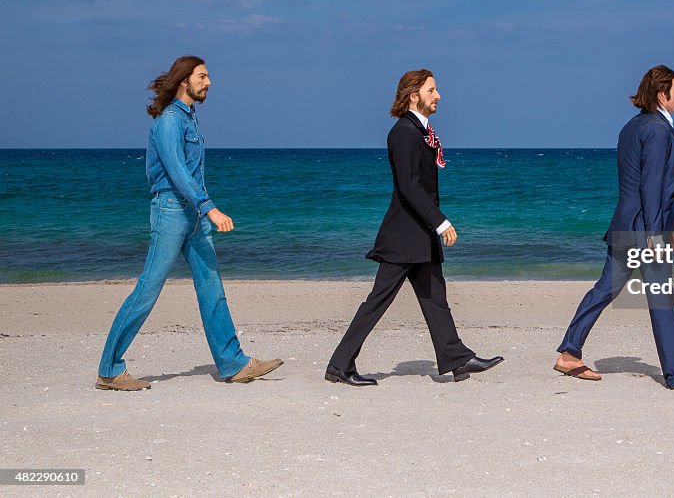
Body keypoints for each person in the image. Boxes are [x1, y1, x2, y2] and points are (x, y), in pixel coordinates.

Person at [96, 56, 282, 391]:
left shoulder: (189, 119)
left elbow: (191, 173)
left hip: (192, 215)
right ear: (185, 80)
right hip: (171, 212)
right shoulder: (170, 122)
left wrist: (201, 210)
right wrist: (209, 208)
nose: (209, 82)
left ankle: (233, 363)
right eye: (203, 76)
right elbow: (178, 172)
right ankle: (109, 369)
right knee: (147, 290)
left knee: (212, 287)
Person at [325, 69, 503, 385]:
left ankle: (457, 359)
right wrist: (441, 221)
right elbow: (409, 186)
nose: (439, 95)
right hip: (405, 236)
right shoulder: (404, 133)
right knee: (378, 300)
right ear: (414, 95)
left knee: (435, 297)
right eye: (432, 90)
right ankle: (340, 364)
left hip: (420, 236)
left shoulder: (420, 132)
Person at [554, 65, 674, 388]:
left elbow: (638, 186)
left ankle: (569, 353)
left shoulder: (631, 127)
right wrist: (655, 234)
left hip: (626, 226)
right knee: (661, 297)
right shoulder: (658, 130)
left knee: (604, 290)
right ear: (663, 94)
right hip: (644, 231)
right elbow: (652, 185)